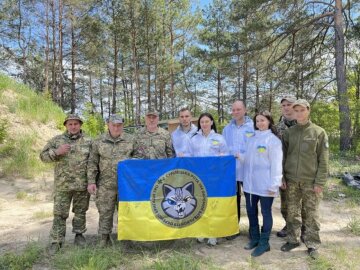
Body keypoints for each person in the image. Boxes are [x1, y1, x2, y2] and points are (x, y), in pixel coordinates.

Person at [280, 99, 329, 259]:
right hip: (292, 180)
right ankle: (292, 240)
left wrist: (320, 182)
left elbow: (324, 159)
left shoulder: (318, 132)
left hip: (310, 181)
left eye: (302, 110)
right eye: (296, 111)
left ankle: (312, 243)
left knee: (311, 214)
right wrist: (282, 176)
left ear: (308, 110)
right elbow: (283, 156)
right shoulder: (289, 133)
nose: (299, 113)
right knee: (292, 212)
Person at [40, 114, 92, 254]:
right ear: (66, 125)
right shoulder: (57, 140)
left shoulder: (89, 141)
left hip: (82, 185)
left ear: (80, 124)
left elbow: (93, 163)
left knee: (80, 212)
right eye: (70, 124)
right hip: (63, 185)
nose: (73, 126)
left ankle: (79, 235)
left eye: (76, 123)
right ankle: (56, 241)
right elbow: (42, 157)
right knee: (59, 214)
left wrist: (92, 181)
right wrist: (56, 152)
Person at [87, 114, 133, 247]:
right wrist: (91, 181)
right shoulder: (98, 141)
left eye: (119, 125)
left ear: (122, 126)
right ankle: (103, 237)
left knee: (125, 212)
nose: (116, 128)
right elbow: (92, 162)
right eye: (114, 125)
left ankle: (125, 238)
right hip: (105, 184)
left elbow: (138, 160)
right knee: (105, 212)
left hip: (126, 185)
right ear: (108, 124)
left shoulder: (131, 140)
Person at [241, 111, 283, 257]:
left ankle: (265, 243)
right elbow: (247, 159)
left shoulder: (273, 141)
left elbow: (277, 164)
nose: (259, 123)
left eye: (262, 120)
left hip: (266, 185)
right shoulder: (251, 139)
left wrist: (274, 183)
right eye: (257, 121)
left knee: (266, 212)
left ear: (269, 121)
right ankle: (255, 238)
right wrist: (237, 156)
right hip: (250, 185)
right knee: (251, 212)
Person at [189, 112, 229, 246]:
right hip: (199, 177)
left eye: (207, 121)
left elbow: (226, 156)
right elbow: (190, 156)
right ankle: (202, 230)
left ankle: (213, 233)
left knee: (213, 205)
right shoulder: (194, 139)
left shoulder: (219, 138)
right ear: (199, 124)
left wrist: (223, 156)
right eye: (202, 122)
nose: (204, 124)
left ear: (212, 122)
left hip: (214, 178)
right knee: (200, 204)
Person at [222, 100, 254, 239]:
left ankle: (253, 229)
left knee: (251, 199)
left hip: (248, 169)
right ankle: (233, 228)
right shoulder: (227, 129)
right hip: (231, 171)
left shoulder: (253, 126)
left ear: (245, 110)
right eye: (233, 110)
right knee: (233, 200)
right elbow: (222, 148)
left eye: (238, 109)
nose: (235, 112)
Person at [275, 96, 303, 238]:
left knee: (301, 203)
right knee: (285, 203)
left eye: (289, 104)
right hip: (284, 171)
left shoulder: (303, 125)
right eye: (283, 105)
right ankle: (288, 225)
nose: (286, 107)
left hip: (302, 171)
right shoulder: (277, 128)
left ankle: (303, 229)